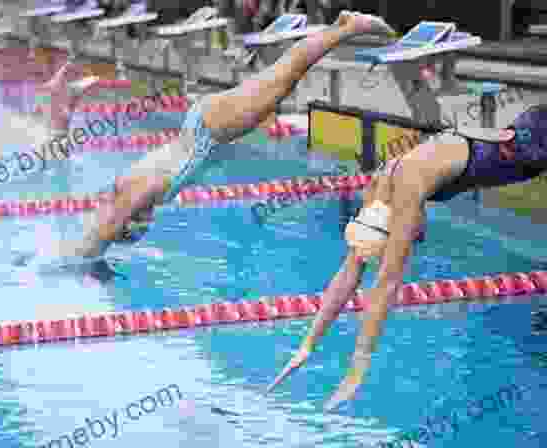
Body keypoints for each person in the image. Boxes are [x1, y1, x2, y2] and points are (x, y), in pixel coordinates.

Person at [35, 10, 397, 262]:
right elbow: (105, 229)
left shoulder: (133, 194)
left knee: (285, 74)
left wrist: (74, 257)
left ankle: (347, 27)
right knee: (282, 79)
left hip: (209, 128)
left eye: (132, 228)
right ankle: (343, 29)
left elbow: (97, 238)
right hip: (206, 126)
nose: (140, 229)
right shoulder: (130, 191)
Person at [265, 107, 547, 409]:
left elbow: (383, 282)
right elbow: (360, 276)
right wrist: (309, 344)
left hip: (508, 148)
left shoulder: (407, 188)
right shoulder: (404, 190)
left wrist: (357, 366)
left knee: (363, 258)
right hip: (472, 160)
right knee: (359, 257)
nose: (410, 239)